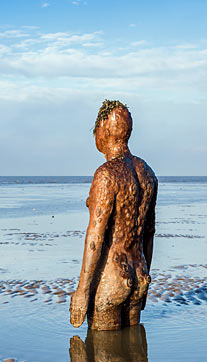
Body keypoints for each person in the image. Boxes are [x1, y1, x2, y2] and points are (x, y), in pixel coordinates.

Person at [70, 100, 158, 330]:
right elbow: (149, 233)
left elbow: (95, 238)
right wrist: (146, 276)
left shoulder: (106, 175)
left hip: (113, 277)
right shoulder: (147, 173)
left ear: (102, 127)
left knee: (103, 353)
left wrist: (82, 290)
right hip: (139, 273)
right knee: (137, 358)